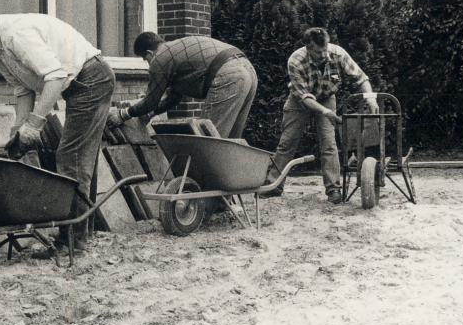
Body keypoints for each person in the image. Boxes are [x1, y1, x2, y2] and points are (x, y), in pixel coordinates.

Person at [0, 5, 114, 257]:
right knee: (78, 158)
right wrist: (19, 127)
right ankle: (81, 232)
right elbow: (22, 89)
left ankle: (73, 242)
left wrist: (35, 124)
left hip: (91, 79)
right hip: (74, 83)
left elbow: (55, 77)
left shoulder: (17, 34)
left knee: (71, 157)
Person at [262, 27, 379, 204]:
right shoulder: (295, 60)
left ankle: (333, 190)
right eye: (318, 52)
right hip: (299, 101)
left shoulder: (338, 53)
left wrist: (371, 99)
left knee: (329, 143)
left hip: (326, 97)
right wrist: (326, 112)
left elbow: (361, 77)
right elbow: (304, 98)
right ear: (308, 48)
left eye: (325, 49)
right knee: (287, 142)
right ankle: (273, 186)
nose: (324, 55)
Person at [106, 33, 258, 139]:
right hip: (248, 70)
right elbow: (174, 98)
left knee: (208, 141)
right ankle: (233, 184)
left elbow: (150, 101)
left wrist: (122, 115)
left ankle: (203, 184)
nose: (148, 64)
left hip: (228, 75)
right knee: (231, 142)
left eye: (145, 59)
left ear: (149, 52)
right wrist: (151, 113)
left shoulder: (160, 58)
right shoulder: (175, 51)